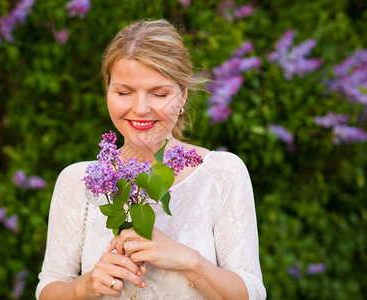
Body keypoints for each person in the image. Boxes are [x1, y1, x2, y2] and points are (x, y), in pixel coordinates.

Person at [36, 19, 266, 300]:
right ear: (107, 90)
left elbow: (252, 292)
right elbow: (49, 288)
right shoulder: (77, 181)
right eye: (124, 92)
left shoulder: (222, 174)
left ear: (182, 96)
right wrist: (86, 286)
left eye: (159, 94)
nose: (141, 109)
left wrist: (187, 260)